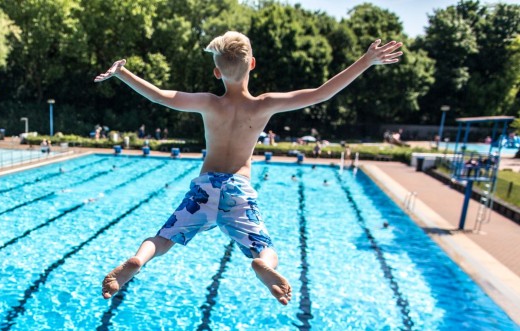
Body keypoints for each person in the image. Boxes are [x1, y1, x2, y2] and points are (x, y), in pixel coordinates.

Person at [95, 32, 402, 304]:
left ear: (217, 72)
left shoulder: (208, 103)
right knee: (264, 248)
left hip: (204, 188)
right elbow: (321, 93)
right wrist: (365, 61)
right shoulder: (263, 104)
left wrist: (123, 73)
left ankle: (138, 259)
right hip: (238, 189)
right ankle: (264, 267)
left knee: (161, 240)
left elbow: (161, 96)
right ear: (252, 64)